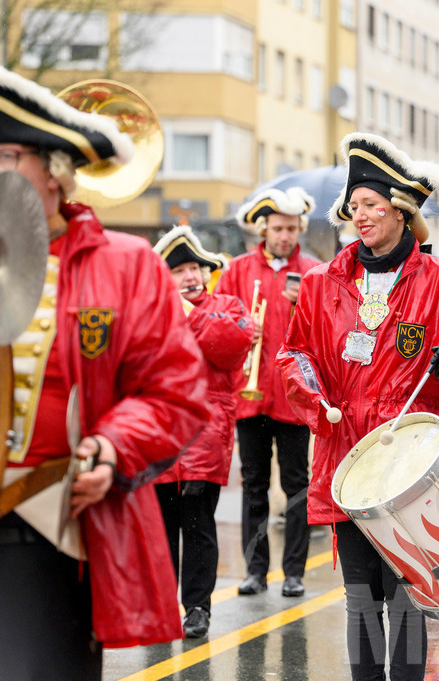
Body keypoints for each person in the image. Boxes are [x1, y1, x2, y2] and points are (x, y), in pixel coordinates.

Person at [0, 64, 210, 681]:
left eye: (3, 156)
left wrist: (112, 447)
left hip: (41, 547)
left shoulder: (126, 264)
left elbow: (175, 391)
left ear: (55, 170)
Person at [277, 133, 439, 681]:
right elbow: (294, 354)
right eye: (353, 206)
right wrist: (315, 396)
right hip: (346, 462)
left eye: (372, 206)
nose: (359, 216)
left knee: (407, 599)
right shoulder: (322, 282)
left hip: (411, 467)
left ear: (401, 211)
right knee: (360, 600)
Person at [217, 186, 322, 598]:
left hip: (294, 398)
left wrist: (305, 304)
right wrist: (241, 329)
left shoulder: (313, 272)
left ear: (300, 229)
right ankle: (255, 570)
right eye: (278, 228)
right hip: (251, 395)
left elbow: (327, 332)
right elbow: (218, 323)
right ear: (263, 228)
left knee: (297, 485)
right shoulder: (237, 270)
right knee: (254, 485)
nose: (284, 236)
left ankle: (294, 572)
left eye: (291, 228)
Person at [151, 225, 254, 638]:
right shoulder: (150, 310)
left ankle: (197, 607)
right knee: (159, 531)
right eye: (179, 271)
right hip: (159, 434)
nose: (190, 276)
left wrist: (188, 315)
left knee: (198, 527)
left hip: (206, 434)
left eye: (194, 268)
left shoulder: (228, 305)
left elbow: (230, 347)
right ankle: (161, 609)